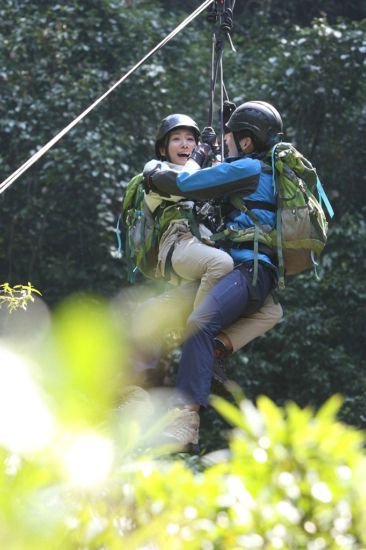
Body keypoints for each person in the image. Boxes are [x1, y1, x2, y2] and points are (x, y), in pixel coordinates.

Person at [144, 100, 284, 450]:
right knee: (271, 312)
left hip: (245, 268)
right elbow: (225, 172)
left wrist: (203, 151)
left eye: (230, 136)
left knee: (199, 324)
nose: (225, 141)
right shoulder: (262, 169)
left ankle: (184, 419)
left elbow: (189, 182)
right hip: (259, 274)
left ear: (247, 142)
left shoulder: (247, 167)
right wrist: (228, 132)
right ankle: (218, 349)